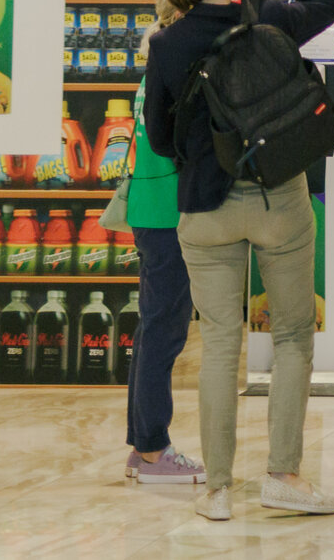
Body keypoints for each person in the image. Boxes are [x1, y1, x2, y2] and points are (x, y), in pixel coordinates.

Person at [140, 0, 334, 522]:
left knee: (219, 349)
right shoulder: (265, 16)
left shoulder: (167, 45)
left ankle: (217, 491)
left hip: (203, 209)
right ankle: (284, 475)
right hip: (278, 200)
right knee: (291, 338)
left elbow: (159, 138)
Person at [121, 95, 203, 485]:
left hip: (149, 208)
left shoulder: (153, 70)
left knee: (153, 329)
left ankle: (143, 446)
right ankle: (153, 448)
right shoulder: (175, 69)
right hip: (167, 213)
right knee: (163, 332)